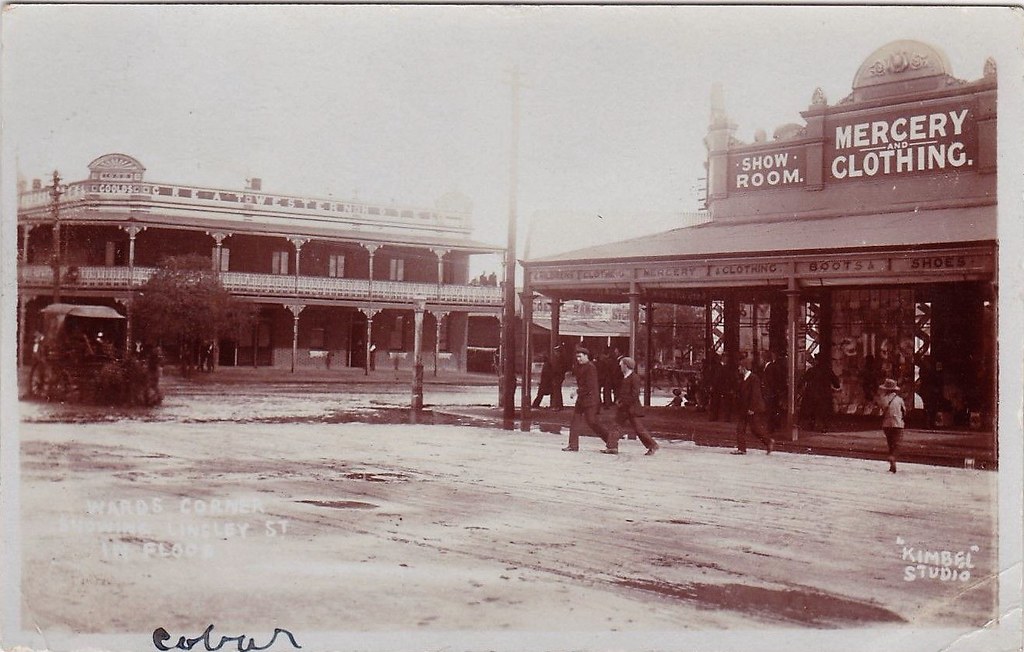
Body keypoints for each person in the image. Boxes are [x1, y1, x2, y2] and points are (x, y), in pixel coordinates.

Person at [562, 346, 613, 453]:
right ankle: (573, 445)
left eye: (580, 357)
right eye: (577, 357)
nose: (578, 359)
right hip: (582, 399)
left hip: (591, 400)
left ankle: (612, 441)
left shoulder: (591, 368)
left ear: (586, 356)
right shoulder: (581, 367)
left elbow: (589, 386)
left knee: (592, 422)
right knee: (575, 421)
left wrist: (576, 392)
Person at [609, 357, 659, 455]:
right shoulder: (625, 377)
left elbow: (634, 394)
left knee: (638, 429)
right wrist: (619, 400)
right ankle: (612, 447)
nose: (620, 366)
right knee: (616, 426)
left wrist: (623, 402)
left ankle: (652, 445)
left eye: (621, 364)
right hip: (624, 408)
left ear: (626, 366)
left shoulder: (634, 378)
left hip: (631, 408)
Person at [732, 354, 774, 455]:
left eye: (740, 367)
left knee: (755, 429)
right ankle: (741, 449)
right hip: (744, 408)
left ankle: (768, 441)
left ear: (744, 368)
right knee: (740, 428)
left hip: (751, 408)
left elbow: (756, 394)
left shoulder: (753, 378)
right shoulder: (744, 379)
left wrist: (752, 408)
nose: (738, 369)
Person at [877, 378, 906, 473]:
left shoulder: (883, 399)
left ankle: (892, 466)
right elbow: (904, 412)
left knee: (890, 443)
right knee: (897, 443)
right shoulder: (899, 400)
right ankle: (893, 457)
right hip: (898, 424)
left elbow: (881, 410)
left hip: (886, 424)